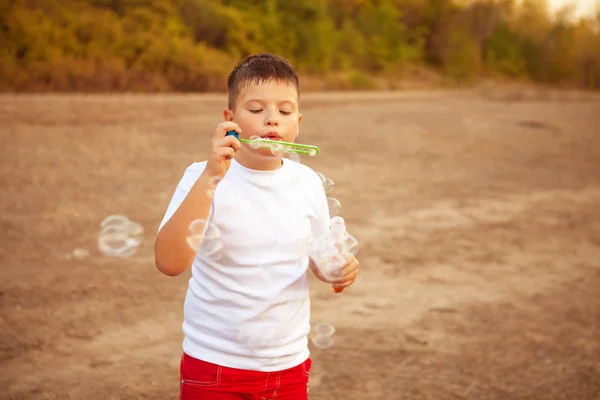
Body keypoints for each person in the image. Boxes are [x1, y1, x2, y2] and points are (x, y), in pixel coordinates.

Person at [154, 53, 360, 399]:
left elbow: (319, 257)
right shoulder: (202, 177)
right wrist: (211, 176)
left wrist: (336, 271)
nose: (271, 122)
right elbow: (169, 263)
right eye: (256, 110)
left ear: (298, 120)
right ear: (229, 118)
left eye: (284, 111)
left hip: (288, 366)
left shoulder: (307, 183)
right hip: (213, 365)